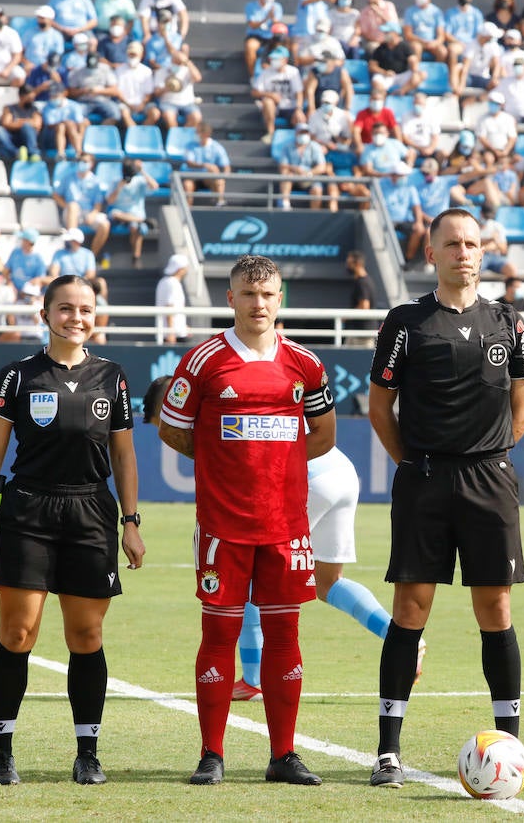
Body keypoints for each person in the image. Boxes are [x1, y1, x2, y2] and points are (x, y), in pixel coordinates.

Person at [365, 209, 524, 789]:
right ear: (431, 254)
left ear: (482, 253)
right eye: (452, 244)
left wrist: (493, 451)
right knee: (410, 608)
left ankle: (510, 747)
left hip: (490, 481)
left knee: (496, 610)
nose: (464, 252)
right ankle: (388, 751)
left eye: (472, 244)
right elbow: (379, 407)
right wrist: (414, 465)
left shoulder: (508, 322)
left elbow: (523, 400)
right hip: (426, 481)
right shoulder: (406, 321)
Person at [157, 255, 335, 787]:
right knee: (219, 634)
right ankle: (212, 753)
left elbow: (322, 435)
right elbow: (171, 430)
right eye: (249, 295)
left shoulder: (305, 364)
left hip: (286, 526)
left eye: (269, 295)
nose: (259, 304)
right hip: (222, 526)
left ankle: (283, 755)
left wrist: (273, 466)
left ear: (280, 299)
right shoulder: (203, 361)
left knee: (285, 635)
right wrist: (223, 460)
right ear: (230, 299)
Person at [0, 274, 144, 786]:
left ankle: (87, 752)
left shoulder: (112, 376)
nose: (77, 318)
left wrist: (130, 523)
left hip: (91, 512)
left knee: (85, 634)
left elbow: (124, 454)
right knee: (17, 633)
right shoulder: (16, 376)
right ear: (45, 315)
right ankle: (2, 751)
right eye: (65, 309)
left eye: (86, 309)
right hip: (28, 510)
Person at [155, 252, 190, 344]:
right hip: (173, 336)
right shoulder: (172, 283)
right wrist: (171, 333)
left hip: (172, 333)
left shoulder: (164, 282)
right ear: (180, 269)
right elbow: (169, 308)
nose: (187, 269)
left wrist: (183, 327)